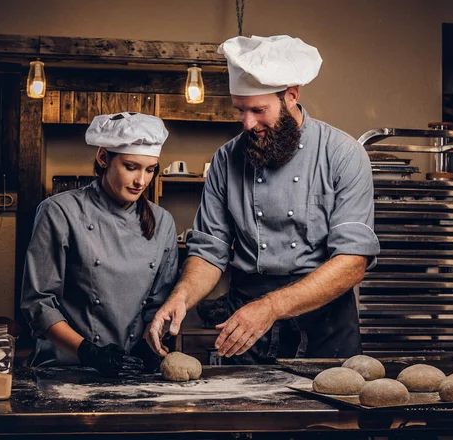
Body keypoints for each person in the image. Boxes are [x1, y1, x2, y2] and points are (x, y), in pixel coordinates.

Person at [148, 35, 380, 364]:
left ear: (291, 96)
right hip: (247, 325)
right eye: (240, 110)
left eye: (259, 110)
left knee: (325, 417)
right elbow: (210, 252)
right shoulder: (226, 159)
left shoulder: (343, 154)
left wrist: (270, 307)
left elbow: (352, 263)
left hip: (324, 326)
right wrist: (181, 298)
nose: (247, 123)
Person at [21, 112, 178, 375]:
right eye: (131, 167)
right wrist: (88, 352)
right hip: (68, 367)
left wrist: (147, 345)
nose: (141, 181)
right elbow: (39, 303)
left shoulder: (162, 222)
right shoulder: (59, 211)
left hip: (131, 369)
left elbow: (160, 303)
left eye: (150, 170)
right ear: (103, 158)